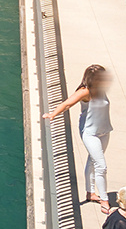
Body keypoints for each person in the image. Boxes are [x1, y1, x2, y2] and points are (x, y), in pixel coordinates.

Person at [45, 65, 115, 205]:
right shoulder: (85, 92)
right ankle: (104, 199)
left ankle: (90, 193)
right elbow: (67, 104)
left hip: (104, 131)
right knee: (101, 166)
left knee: (93, 160)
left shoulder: (101, 90)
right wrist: (53, 114)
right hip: (90, 133)